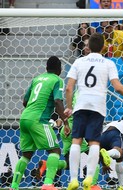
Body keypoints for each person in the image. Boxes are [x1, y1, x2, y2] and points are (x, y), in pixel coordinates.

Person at [64, 33, 123, 190]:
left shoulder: (79, 61)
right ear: (104, 46)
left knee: (76, 140)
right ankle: (90, 178)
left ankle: (73, 180)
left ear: (88, 46)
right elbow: (118, 87)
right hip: (97, 107)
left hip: (81, 105)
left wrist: (69, 106)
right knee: (94, 143)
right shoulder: (108, 63)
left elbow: (69, 87)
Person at [10, 56, 70, 190]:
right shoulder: (57, 80)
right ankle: (48, 184)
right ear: (59, 69)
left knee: (26, 154)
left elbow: (25, 102)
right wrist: (65, 122)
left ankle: (13, 186)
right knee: (55, 150)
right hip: (38, 120)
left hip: (25, 118)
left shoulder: (36, 79)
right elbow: (57, 101)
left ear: (46, 68)